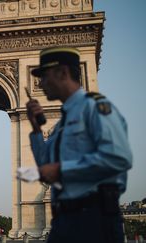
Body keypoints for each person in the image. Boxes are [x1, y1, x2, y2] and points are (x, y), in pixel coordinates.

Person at [26, 46, 133, 243]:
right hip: (63, 220)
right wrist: (34, 129)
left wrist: (62, 170)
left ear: (63, 72)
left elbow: (119, 157)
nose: (41, 82)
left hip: (94, 218)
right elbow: (44, 164)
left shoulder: (96, 107)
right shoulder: (60, 126)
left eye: (45, 75)